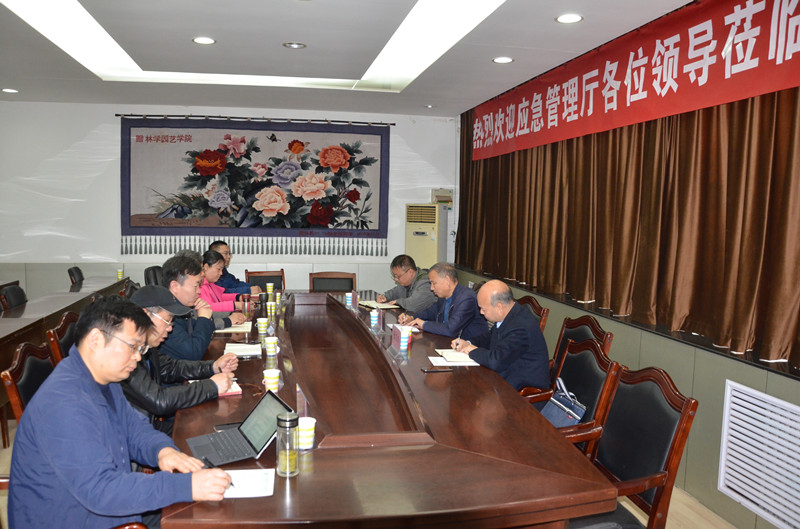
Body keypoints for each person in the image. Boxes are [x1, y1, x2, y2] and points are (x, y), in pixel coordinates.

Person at [8, 296, 231, 529]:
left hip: (110, 507)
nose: (138, 356)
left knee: (210, 512)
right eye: (132, 347)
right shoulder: (64, 404)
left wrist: (162, 450)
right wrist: (185, 487)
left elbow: (134, 428)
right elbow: (101, 490)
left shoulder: (104, 378)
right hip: (81, 518)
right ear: (96, 340)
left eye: (140, 348)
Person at [122, 285, 238, 435]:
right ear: (145, 315)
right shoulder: (125, 356)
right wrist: (212, 386)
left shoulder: (146, 347)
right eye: (167, 321)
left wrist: (213, 367)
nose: (170, 328)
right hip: (141, 435)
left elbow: (171, 367)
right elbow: (159, 400)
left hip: (152, 427)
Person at [452, 280, 549, 391]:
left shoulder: (521, 327)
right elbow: (489, 337)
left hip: (521, 392)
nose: (481, 312)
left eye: (483, 309)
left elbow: (496, 361)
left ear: (499, 307)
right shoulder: (509, 315)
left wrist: (471, 350)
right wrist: (468, 343)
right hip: (504, 378)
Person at [161, 252, 246, 361]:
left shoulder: (180, 307)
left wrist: (213, 367)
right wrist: (204, 319)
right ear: (174, 286)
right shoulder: (167, 315)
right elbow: (194, 353)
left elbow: (197, 327)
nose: (199, 291)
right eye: (195, 286)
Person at [399, 262, 487, 340]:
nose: (431, 288)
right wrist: (412, 318)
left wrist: (424, 324)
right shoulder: (443, 296)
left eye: (434, 283)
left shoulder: (466, 298)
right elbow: (430, 312)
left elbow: (451, 329)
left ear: (447, 280)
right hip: (448, 342)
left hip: (470, 347)